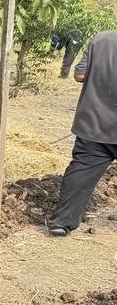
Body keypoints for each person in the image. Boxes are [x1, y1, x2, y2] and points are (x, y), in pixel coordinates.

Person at [47, 30, 117, 236]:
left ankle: (62, 223)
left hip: (94, 123)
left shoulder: (101, 40)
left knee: (82, 170)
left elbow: (80, 75)